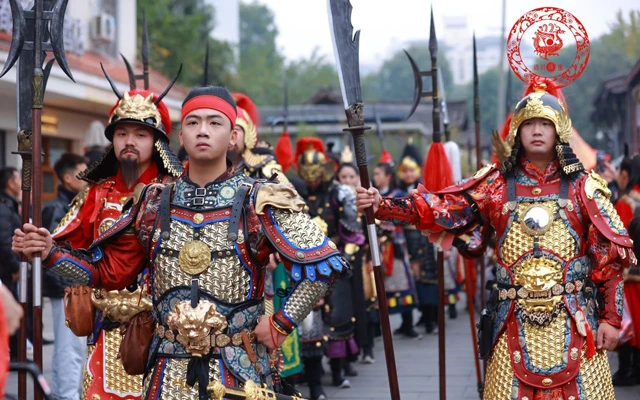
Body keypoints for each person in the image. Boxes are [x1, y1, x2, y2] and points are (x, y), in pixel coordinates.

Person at [18, 85, 349, 400]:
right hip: (165, 369)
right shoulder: (152, 200)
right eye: (193, 122)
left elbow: (325, 262)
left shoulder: (260, 198)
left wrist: (280, 323)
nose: (202, 130)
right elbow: (106, 272)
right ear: (181, 135)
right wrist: (49, 253)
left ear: (234, 136)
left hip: (239, 368)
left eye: (214, 122)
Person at [356, 79, 635, 399]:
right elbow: (442, 208)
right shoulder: (495, 184)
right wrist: (384, 205)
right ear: (517, 130)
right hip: (511, 321)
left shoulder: (584, 186)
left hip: (575, 320)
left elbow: (610, 260)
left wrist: (612, 320)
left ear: (559, 129)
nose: (537, 130)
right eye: (529, 123)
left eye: (545, 123)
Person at [15, 75, 183, 399]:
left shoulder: (176, 192)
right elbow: (65, 241)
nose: (129, 140)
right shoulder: (98, 191)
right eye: (121, 133)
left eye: (140, 133)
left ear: (157, 140)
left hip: (163, 330)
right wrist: (36, 244)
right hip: (105, 329)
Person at [292, 138, 362, 398]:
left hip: (336, 262)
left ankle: (338, 370)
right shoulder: (294, 195)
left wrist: (346, 258)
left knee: (339, 321)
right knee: (311, 327)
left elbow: (353, 231)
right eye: (306, 174)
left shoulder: (338, 193)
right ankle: (314, 384)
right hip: (305, 266)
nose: (311, 179)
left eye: (315, 174)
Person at [41, 153, 89, 400]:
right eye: (83, 172)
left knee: (70, 348)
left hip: (73, 286)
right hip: (66, 289)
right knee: (70, 349)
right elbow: (47, 254)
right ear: (68, 178)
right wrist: (64, 288)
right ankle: (67, 395)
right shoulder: (57, 208)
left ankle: (62, 393)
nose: (87, 176)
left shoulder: (77, 204)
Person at [373, 162, 421, 339]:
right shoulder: (372, 195)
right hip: (378, 247)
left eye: (378, 173)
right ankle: (378, 326)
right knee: (378, 287)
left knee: (402, 284)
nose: (375, 176)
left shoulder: (398, 195)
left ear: (388, 176)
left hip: (395, 247)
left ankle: (407, 324)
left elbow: (405, 219)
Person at [229, 93, 290, 185]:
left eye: (237, 129)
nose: (232, 135)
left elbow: (290, 196)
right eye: (227, 130)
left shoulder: (266, 168)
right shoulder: (205, 168)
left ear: (247, 134)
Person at [0, 167, 23, 361]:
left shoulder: (11, 204)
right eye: (18, 178)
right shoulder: (3, 207)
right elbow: (4, 241)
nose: (22, 183)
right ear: (10, 183)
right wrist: (15, 267)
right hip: (5, 272)